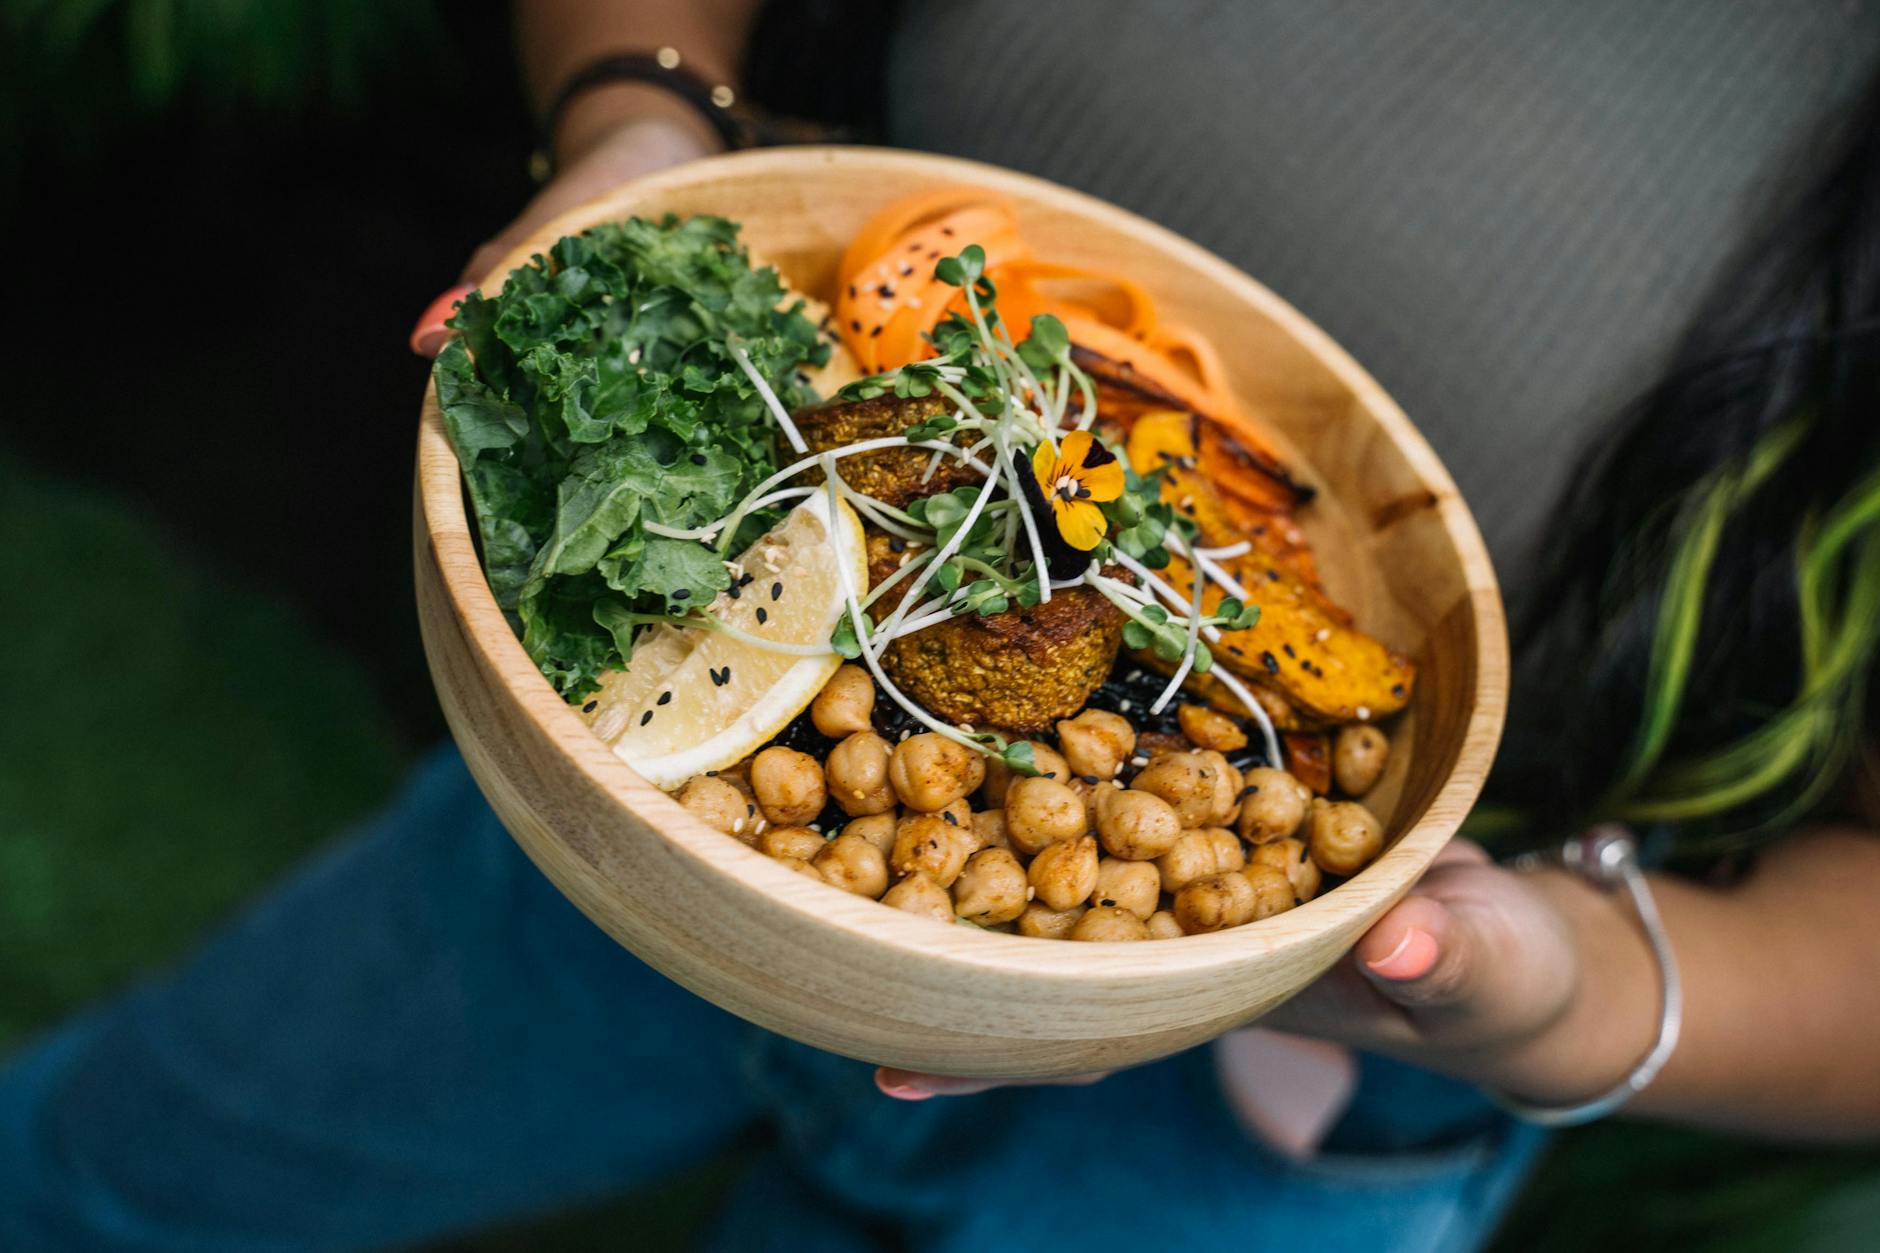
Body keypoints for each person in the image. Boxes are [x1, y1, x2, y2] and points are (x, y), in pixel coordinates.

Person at [8, 2, 1880, 1248]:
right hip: (672, 772)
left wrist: (1566, 991)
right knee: (129, 1163)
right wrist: (642, 107)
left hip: (1277, 1098)